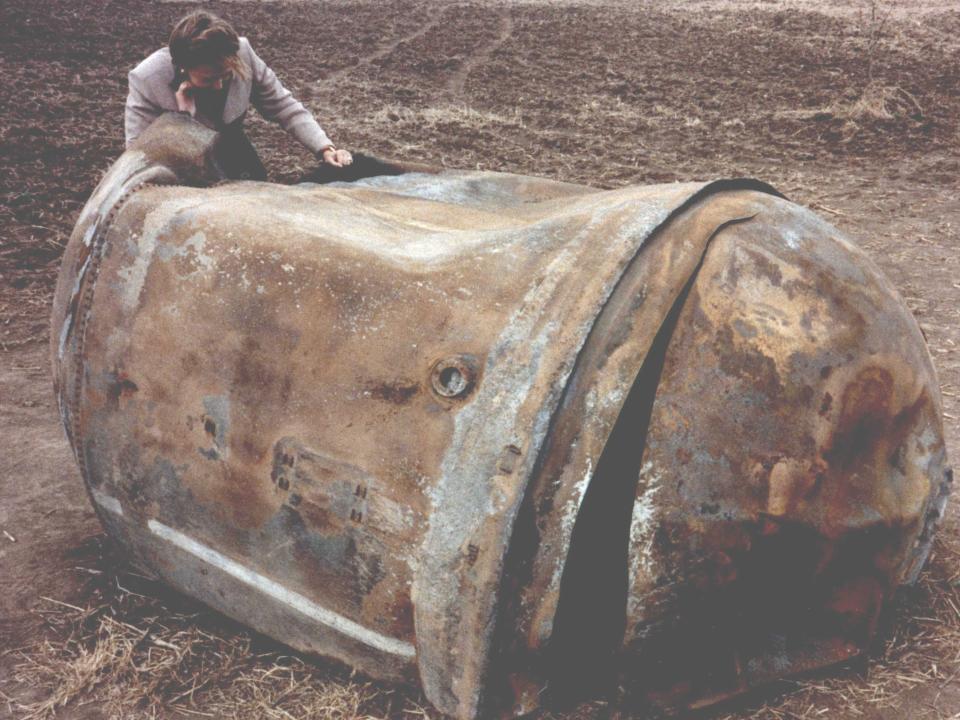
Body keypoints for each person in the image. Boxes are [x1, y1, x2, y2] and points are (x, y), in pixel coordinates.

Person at [125, 10, 352, 180]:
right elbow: (138, 158)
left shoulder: (243, 52)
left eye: (226, 75)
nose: (218, 86)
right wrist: (183, 120)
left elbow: (283, 106)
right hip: (180, 170)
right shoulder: (147, 79)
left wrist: (324, 148)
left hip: (231, 146)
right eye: (208, 79)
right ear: (182, 66)